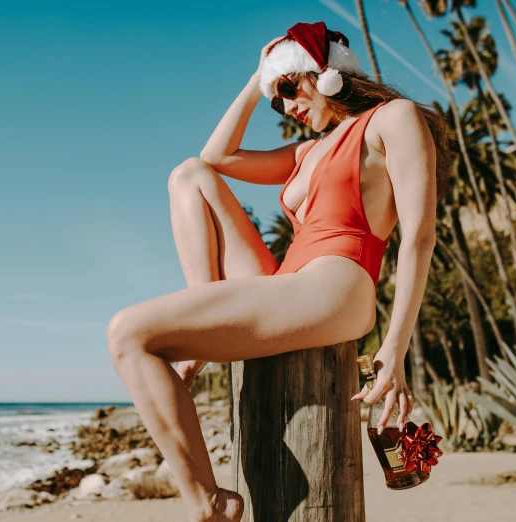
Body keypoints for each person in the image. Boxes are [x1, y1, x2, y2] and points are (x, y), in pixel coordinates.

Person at [106, 20, 451, 522]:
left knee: (127, 333)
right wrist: (261, 75)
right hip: (291, 279)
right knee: (189, 174)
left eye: (289, 89)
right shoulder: (305, 152)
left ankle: (209, 505)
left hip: (338, 281)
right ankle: (205, 322)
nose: (286, 107)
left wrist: (394, 350)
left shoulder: (391, 119)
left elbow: (420, 235)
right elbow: (216, 156)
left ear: (325, 72)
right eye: (277, 100)